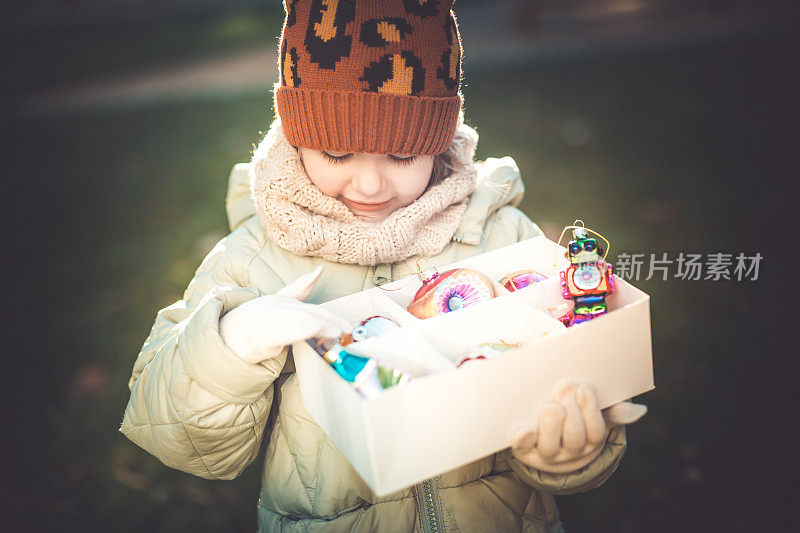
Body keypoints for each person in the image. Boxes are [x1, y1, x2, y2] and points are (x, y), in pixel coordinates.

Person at [120, 1, 646, 530]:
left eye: (400, 156)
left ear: (437, 144)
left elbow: (576, 372)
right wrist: (230, 344)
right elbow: (177, 436)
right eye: (337, 152)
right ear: (298, 134)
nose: (369, 185)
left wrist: (566, 453)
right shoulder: (253, 259)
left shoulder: (499, 237)